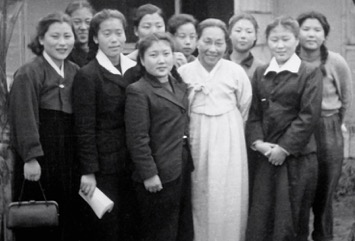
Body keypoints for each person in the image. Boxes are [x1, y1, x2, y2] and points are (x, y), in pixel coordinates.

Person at [245, 16, 323, 241]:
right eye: (274, 39)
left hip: (297, 159)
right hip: (266, 157)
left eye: (286, 39)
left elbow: (308, 116)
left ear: (296, 41)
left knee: (292, 218)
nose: (280, 45)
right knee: (263, 217)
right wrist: (259, 144)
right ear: (267, 41)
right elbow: (254, 114)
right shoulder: (260, 73)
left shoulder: (309, 72)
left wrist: (284, 149)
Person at [178, 18, 252, 241]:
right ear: (197, 42)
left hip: (229, 135)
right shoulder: (183, 72)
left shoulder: (236, 72)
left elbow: (245, 106)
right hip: (196, 134)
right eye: (207, 41)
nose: (213, 48)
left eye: (219, 43)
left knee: (227, 191)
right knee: (199, 189)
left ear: (226, 44)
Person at [9, 12, 77, 241]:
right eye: (55, 36)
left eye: (67, 36)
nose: (62, 42)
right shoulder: (29, 72)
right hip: (40, 154)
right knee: (38, 218)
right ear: (41, 39)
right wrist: (30, 157)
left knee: (65, 216)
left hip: (67, 155)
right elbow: (23, 116)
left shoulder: (75, 71)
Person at [72, 9, 136, 241]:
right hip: (104, 164)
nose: (114, 39)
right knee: (109, 227)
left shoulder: (135, 69)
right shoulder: (88, 75)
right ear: (96, 37)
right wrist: (88, 171)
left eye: (118, 33)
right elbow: (84, 127)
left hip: (134, 160)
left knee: (132, 225)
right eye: (107, 33)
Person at [125, 32, 194, 241]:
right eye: (154, 55)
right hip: (158, 172)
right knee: (160, 232)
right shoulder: (138, 91)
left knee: (181, 229)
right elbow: (137, 139)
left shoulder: (179, 85)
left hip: (180, 166)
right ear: (143, 60)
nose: (162, 60)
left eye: (166, 53)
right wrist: (149, 174)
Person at [296, 11, 353, 241]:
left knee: (325, 192)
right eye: (306, 29)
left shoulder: (335, 61)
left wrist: (334, 125)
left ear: (324, 35)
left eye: (317, 30)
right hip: (298, 129)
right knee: (299, 191)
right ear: (297, 33)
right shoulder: (289, 58)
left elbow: (346, 98)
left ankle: (323, 236)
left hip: (329, 128)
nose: (311, 34)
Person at [227, 13, 264, 80]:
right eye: (238, 31)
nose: (243, 36)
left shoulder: (260, 69)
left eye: (249, 32)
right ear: (230, 34)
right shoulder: (218, 63)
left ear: (255, 36)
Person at [65, 0, 95, 67]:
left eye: (88, 22)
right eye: (77, 22)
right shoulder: (64, 55)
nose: (83, 27)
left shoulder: (101, 53)